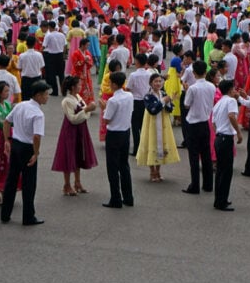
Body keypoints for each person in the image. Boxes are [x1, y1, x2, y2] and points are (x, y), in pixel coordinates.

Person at [0, 80, 49, 226]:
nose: (47, 97)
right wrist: (36, 153)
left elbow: (7, 122)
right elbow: (36, 136)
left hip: (16, 144)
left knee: (11, 180)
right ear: (38, 96)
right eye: (46, 94)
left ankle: (5, 214)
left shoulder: (20, 105)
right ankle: (28, 216)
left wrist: (7, 140)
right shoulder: (38, 114)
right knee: (29, 183)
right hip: (27, 148)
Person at [52, 75, 99, 195]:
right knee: (69, 155)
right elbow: (72, 118)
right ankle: (66, 184)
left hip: (81, 129)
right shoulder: (66, 101)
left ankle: (77, 182)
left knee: (79, 153)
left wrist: (86, 110)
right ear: (73, 87)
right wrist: (87, 110)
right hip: (70, 130)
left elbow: (84, 112)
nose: (80, 86)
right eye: (79, 85)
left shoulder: (77, 97)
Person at [136, 72, 180, 182]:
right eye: (156, 81)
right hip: (152, 124)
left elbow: (170, 109)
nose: (158, 83)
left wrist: (169, 102)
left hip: (163, 123)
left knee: (162, 144)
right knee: (151, 143)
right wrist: (164, 101)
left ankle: (158, 171)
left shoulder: (163, 93)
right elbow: (152, 110)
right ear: (151, 83)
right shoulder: (148, 96)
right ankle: (152, 171)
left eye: (160, 81)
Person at [181, 60, 215, 195]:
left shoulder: (193, 88)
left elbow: (187, 105)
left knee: (194, 156)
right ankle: (208, 184)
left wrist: (186, 89)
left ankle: (194, 185)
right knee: (206, 155)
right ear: (205, 72)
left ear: (194, 73)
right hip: (205, 122)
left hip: (193, 123)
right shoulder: (212, 86)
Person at [101, 71, 134, 209]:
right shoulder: (129, 95)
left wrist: (104, 107)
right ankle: (128, 197)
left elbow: (107, 119)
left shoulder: (113, 100)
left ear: (114, 84)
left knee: (113, 168)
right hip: (125, 132)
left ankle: (116, 197)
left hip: (114, 133)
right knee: (124, 165)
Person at [212, 78, 243, 211]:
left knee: (220, 170)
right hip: (225, 138)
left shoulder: (219, 102)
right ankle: (221, 201)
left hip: (219, 137)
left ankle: (219, 198)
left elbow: (213, 122)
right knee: (226, 171)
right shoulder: (231, 101)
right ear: (230, 90)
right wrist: (238, 132)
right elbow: (231, 116)